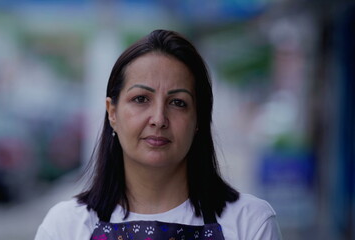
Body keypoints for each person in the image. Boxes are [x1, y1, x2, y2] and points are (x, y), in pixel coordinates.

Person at [34, 29, 282, 240]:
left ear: (198, 119)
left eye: (178, 102)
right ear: (112, 113)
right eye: (141, 99)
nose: (159, 119)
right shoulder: (65, 227)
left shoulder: (250, 223)